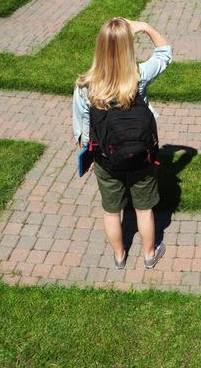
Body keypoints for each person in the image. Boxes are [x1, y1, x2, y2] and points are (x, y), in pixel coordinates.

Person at [72, 16, 172, 270]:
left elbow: (83, 128)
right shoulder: (139, 75)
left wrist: (88, 153)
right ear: (128, 46)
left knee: (111, 211)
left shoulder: (86, 85)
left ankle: (119, 256)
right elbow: (165, 52)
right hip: (142, 156)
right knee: (144, 209)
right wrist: (146, 27)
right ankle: (150, 254)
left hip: (106, 158)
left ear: (99, 46)